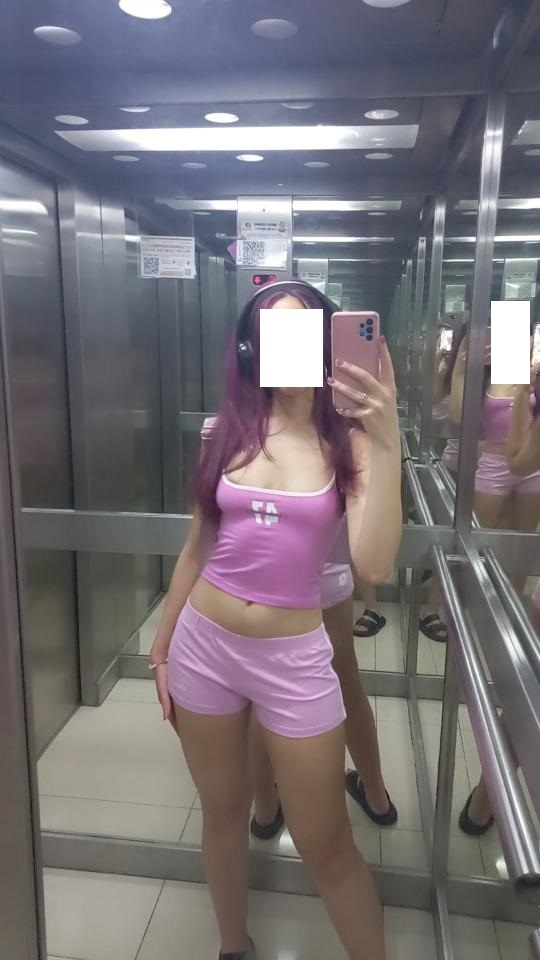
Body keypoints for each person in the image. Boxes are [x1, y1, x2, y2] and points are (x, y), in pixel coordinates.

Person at [150, 280, 402, 960]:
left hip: (294, 660)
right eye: (270, 333)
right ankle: (233, 945)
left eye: (300, 331)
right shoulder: (227, 431)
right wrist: (163, 647)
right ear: (251, 348)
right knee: (223, 811)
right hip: (204, 647)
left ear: (324, 343)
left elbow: (375, 564)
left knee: (327, 844)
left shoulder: (350, 443)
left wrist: (389, 440)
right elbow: (197, 547)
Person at [199, 421, 397, 833]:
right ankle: (375, 795)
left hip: (270, 575)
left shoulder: (252, 421)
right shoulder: (348, 429)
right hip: (322, 573)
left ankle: (266, 809)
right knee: (345, 684)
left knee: (262, 693)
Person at [457, 345, 540, 836]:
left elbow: (520, 460)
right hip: (492, 463)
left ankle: (486, 800)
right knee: (529, 685)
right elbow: (515, 458)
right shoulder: (507, 363)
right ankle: (488, 797)